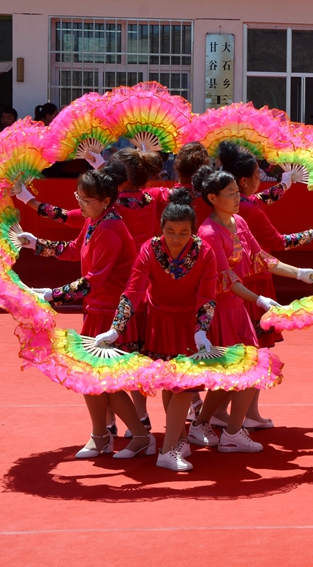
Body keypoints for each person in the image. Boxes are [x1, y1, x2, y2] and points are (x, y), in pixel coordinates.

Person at [16, 165, 153, 460]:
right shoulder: (95, 220)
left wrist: (52, 295)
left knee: (106, 381)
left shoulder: (110, 229)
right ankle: (100, 435)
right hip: (96, 309)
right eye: (78, 197)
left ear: (105, 201)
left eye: (86, 199)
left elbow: (94, 280)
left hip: (111, 315)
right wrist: (36, 244)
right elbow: (73, 249)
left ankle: (141, 436)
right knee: (90, 380)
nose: (80, 203)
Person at [190, 166, 313, 453]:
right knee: (245, 372)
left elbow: (261, 258)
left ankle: (204, 426)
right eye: (231, 194)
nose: (238, 198)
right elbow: (226, 280)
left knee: (240, 373)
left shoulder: (238, 221)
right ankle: (229, 431)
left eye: (237, 192)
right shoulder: (209, 233)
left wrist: (300, 273)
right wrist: (260, 300)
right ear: (212, 198)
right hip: (218, 312)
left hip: (238, 308)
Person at [108, 189, 220, 471]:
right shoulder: (149, 249)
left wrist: (201, 330)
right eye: (170, 231)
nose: (176, 238)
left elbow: (207, 296)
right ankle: (173, 445)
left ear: (193, 231)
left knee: (182, 386)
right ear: (161, 228)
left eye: (183, 233)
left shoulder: (205, 252)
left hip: (190, 325)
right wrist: (116, 328)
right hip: (160, 322)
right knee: (172, 385)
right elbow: (134, 289)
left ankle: (172, 446)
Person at [216, 141, 313, 355]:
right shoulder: (250, 211)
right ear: (244, 181)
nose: (259, 179)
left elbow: (257, 200)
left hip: (229, 278)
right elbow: (278, 241)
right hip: (253, 280)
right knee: (249, 347)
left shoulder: (231, 203)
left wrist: (284, 186)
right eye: (257, 175)